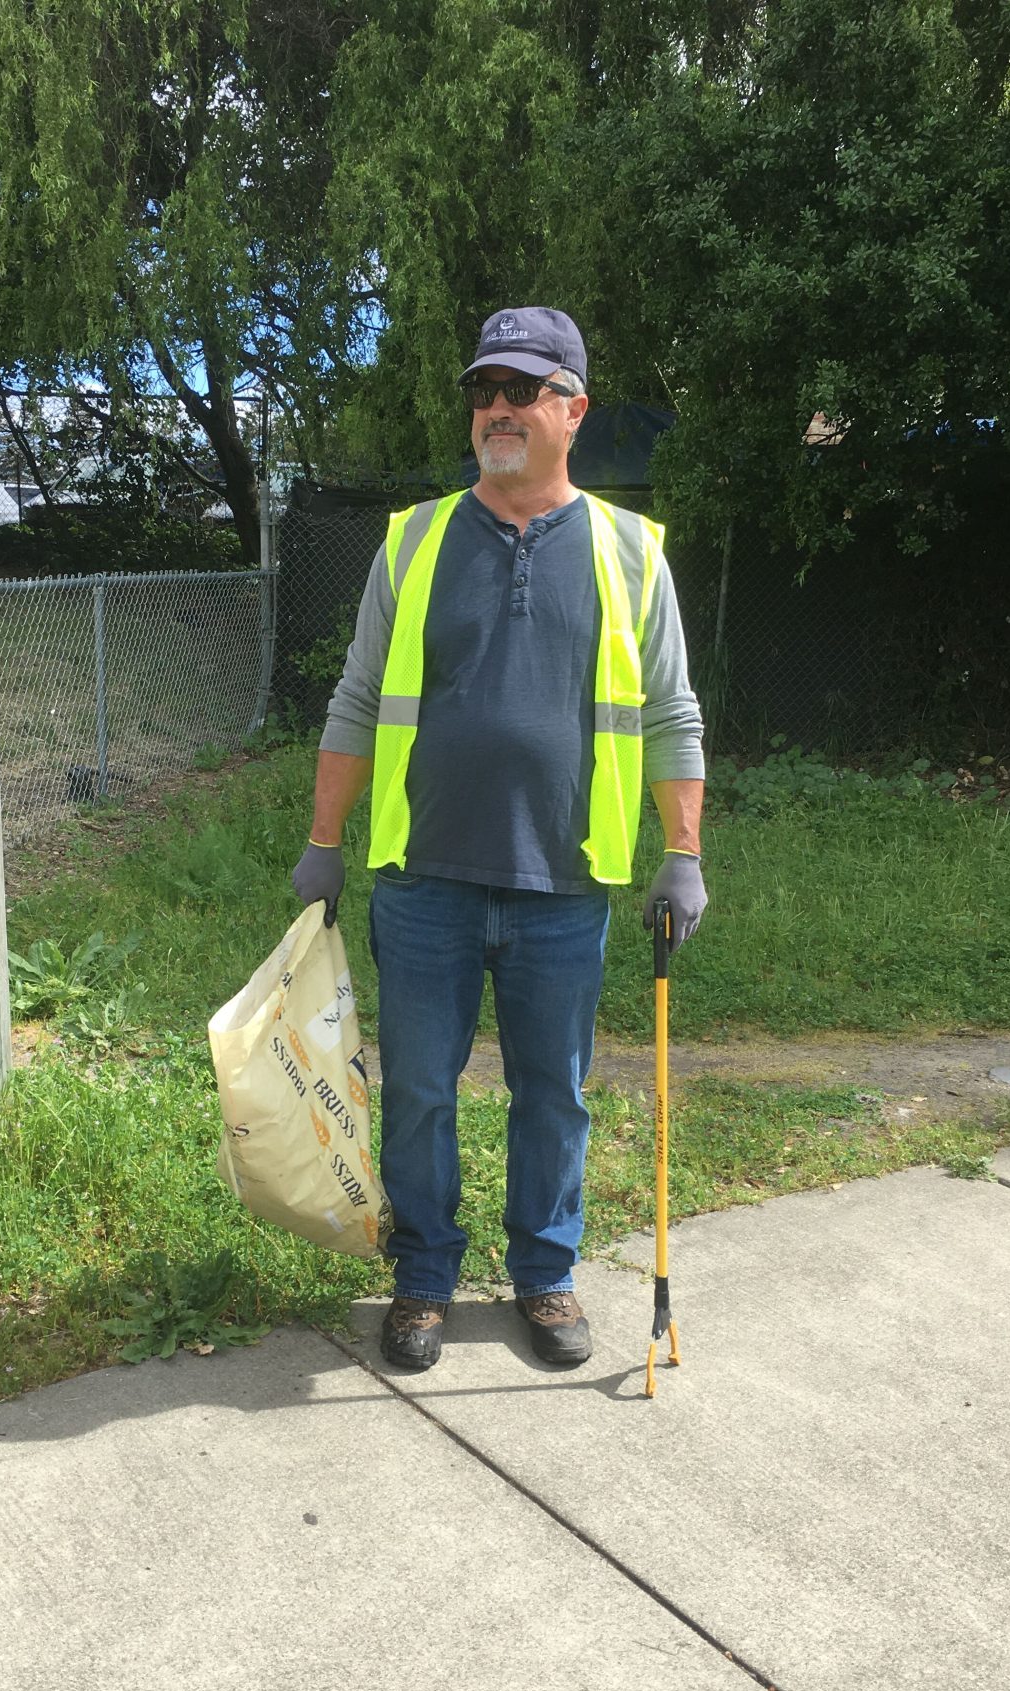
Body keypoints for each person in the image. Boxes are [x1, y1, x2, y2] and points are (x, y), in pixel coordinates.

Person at [292, 306, 706, 1373]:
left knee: (552, 1096)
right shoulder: (416, 539)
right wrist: (324, 840)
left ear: (574, 409)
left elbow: (670, 714)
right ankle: (424, 1277)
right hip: (423, 882)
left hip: (565, 887)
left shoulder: (628, 551)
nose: (498, 410)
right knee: (421, 1090)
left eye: (522, 392)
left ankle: (545, 1276)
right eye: (485, 391)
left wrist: (683, 852)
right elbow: (354, 698)